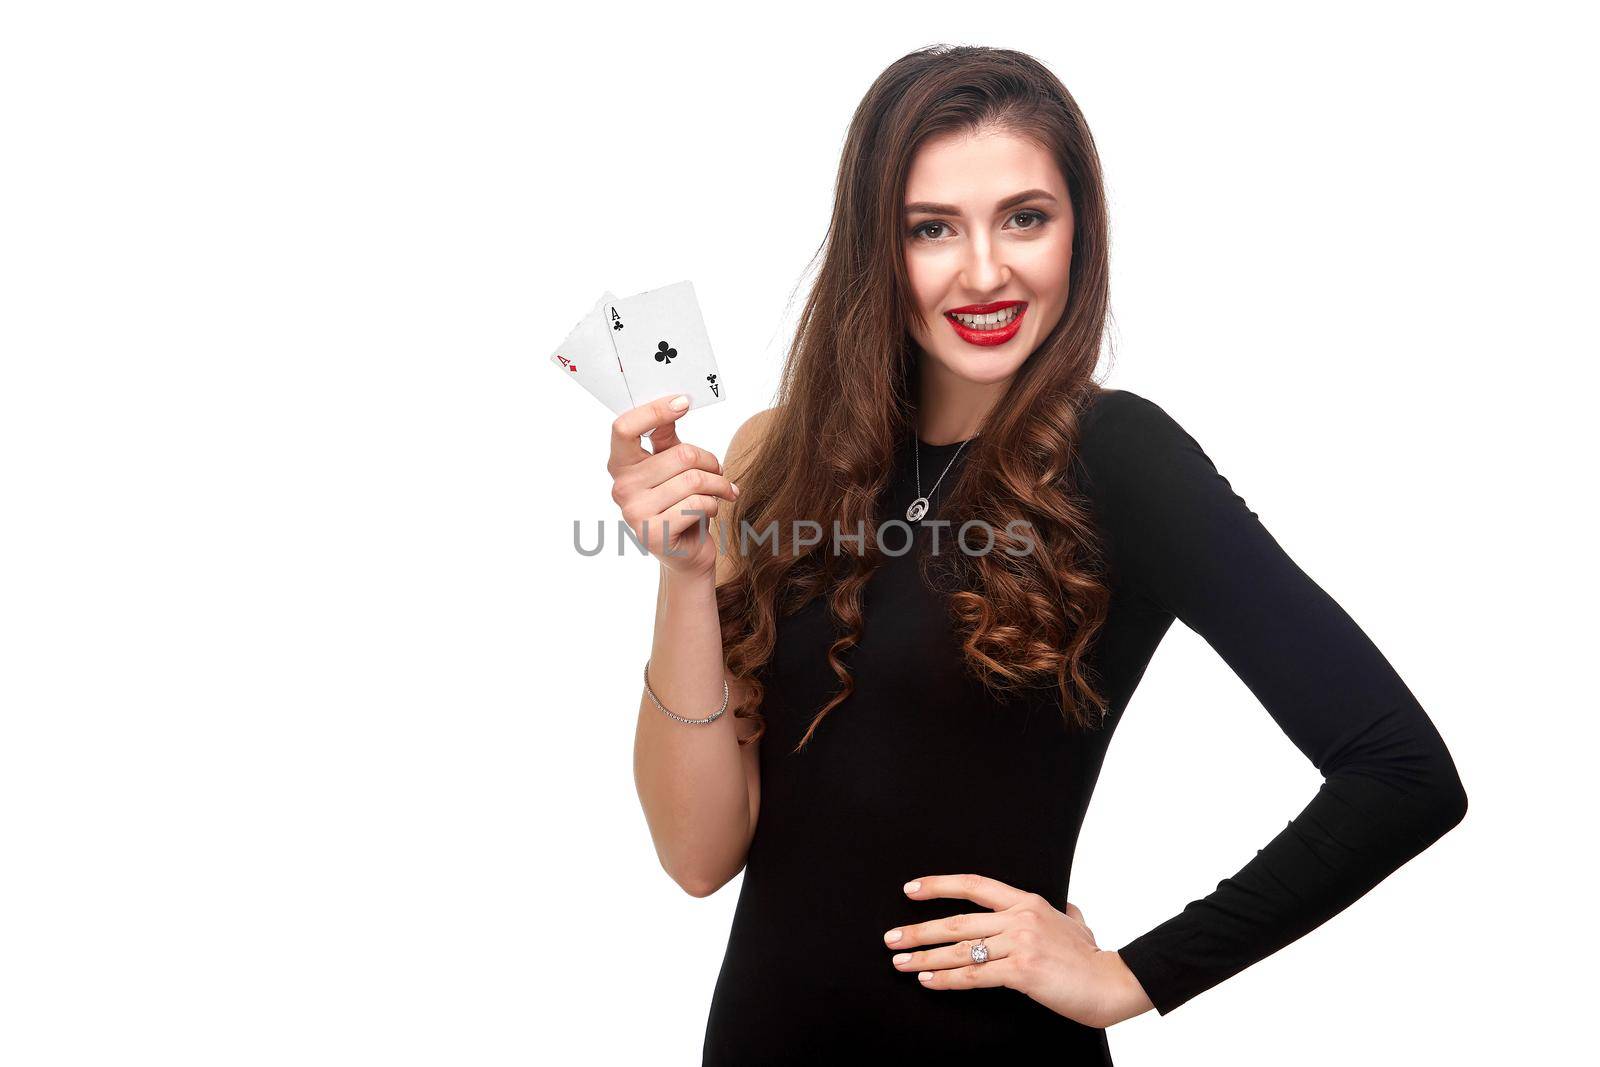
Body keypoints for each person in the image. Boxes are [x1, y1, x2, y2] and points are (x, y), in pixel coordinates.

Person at [609, 44, 1467, 1064]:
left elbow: (1401, 770)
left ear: (1079, 232)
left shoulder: (1120, 455)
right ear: (875, 250)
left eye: (1025, 217)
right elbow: (700, 855)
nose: (984, 270)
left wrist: (1133, 974)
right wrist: (686, 574)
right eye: (932, 228)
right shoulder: (776, 453)